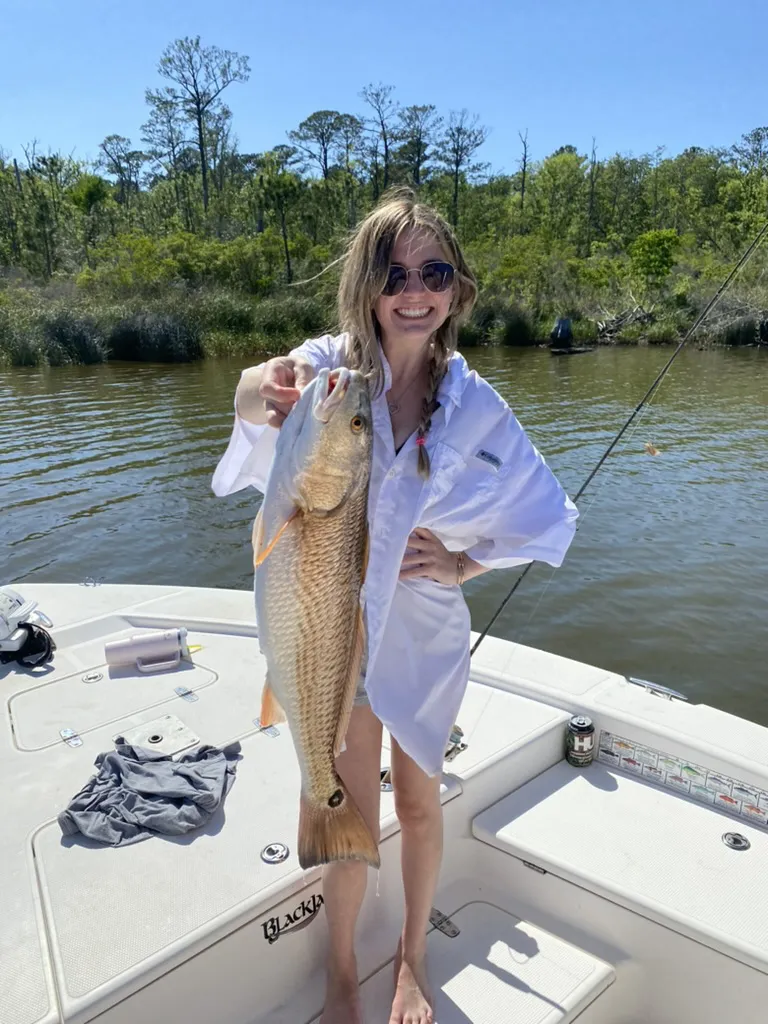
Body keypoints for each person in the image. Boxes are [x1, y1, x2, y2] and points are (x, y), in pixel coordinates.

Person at [212, 189, 578, 1024]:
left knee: (417, 804)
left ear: (457, 288)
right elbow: (250, 404)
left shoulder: (480, 405)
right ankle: (343, 973)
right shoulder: (327, 371)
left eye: (434, 271)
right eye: (395, 270)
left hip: (422, 633)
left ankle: (410, 960)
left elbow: (548, 516)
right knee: (348, 802)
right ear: (367, 283)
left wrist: (464, 564)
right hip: (327, 628)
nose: (415, 290)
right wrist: (252, 391)